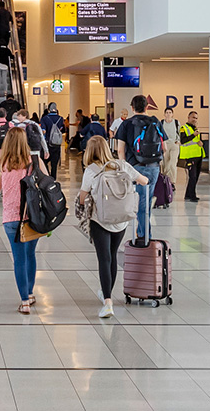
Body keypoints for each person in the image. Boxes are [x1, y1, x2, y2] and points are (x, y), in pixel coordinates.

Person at [80, 135, 140, 319]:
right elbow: (143, 180)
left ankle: (107, 302)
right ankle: (107, 294)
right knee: (112, 256)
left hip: (101, 220)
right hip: (121, 220)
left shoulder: (91, 171)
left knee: (104, 259)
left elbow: (82, 198)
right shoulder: (122, 165)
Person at [0, 124, 39, 313]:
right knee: (30, 254)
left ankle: (24, 301)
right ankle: (30, 294)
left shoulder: (2, 165)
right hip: (32, 217)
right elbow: (48, 183)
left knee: (19, 259)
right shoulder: (33, 162)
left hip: (11, 219)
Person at [116, 96, 167, 240]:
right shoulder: (155, 122)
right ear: (146, 107)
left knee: (140, 202)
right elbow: (165, 147)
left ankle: (145, 235)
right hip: (154, 167)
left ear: (132, 107)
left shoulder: (126, 124)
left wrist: (124, 169)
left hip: (135, 168)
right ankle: (143, 232)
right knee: (146, 200)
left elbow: (120, 150)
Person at [178, 113, 205, 203]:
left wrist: (200, 142)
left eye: (196, 118)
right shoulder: (183, 128)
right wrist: (193, 135)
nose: (195, 119)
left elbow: (195, 141)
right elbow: (183, 140)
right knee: (192, 176)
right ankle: (192, 195)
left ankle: (188, 195)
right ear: (188, 117)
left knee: (196, 176)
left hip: (198, 154)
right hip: (190, 156)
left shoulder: (195, 128)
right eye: (193, 117)